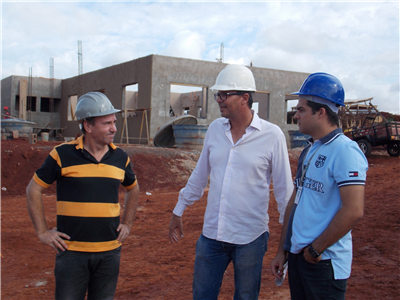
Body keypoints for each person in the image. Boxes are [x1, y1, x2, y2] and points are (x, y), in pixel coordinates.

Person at [168, 64, 293, 300]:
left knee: (246, 297)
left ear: (245, 98)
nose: (219, 100)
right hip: (212, 236)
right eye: (218, 94)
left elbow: (285, 193)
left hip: (250, 239)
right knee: (202, 295)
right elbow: (199, 174)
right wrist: (179, 209)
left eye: (225, 94)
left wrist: (285, 246)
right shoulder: (215, 130)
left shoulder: (272, 135)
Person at [26, 91, 139, 300]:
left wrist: (128, 223)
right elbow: (33, 189)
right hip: (72, 253)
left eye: (114, 122)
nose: (114, 128)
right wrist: (42, 232)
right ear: (87, 126)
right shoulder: (61, 154)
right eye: (107, 123)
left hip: (109, 253)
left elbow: (133, 188)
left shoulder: (120, 157)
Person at [270, 73, 368, 300]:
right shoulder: (311, 148)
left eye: (301, 109)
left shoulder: (345, 151)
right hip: (299, 257)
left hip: (323, 262)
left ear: (321, 112)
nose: (296, 115)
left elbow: (353, 210)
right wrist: (283, 251)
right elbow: (295, 200)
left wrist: (315, 249)